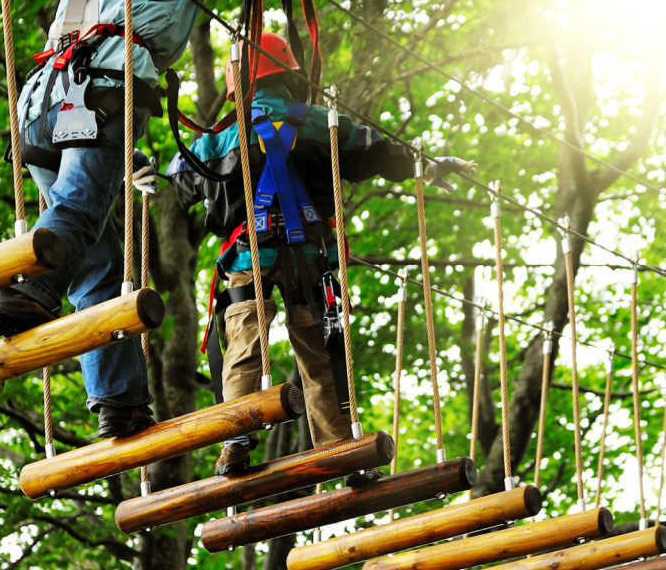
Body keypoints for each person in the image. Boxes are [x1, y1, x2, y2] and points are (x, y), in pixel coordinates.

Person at [0, 0, 292, 440]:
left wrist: (127, 155)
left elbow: (71, 69)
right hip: (102, 91)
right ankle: (29, 284)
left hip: (39, 113)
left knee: (97, 259)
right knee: (80, 208)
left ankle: (118, 401)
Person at [166, 32, 474, 479]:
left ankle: (235, 440)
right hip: (311, 256)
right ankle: (339, 448)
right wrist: (426, 164)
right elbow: (380, 152)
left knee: (244, 346)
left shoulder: (218, 141)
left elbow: (181, 179)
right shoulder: (324, 123)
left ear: (238, 86)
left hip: (248, 257)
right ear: (291, 78)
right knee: (322, 356)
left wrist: (143, 171)